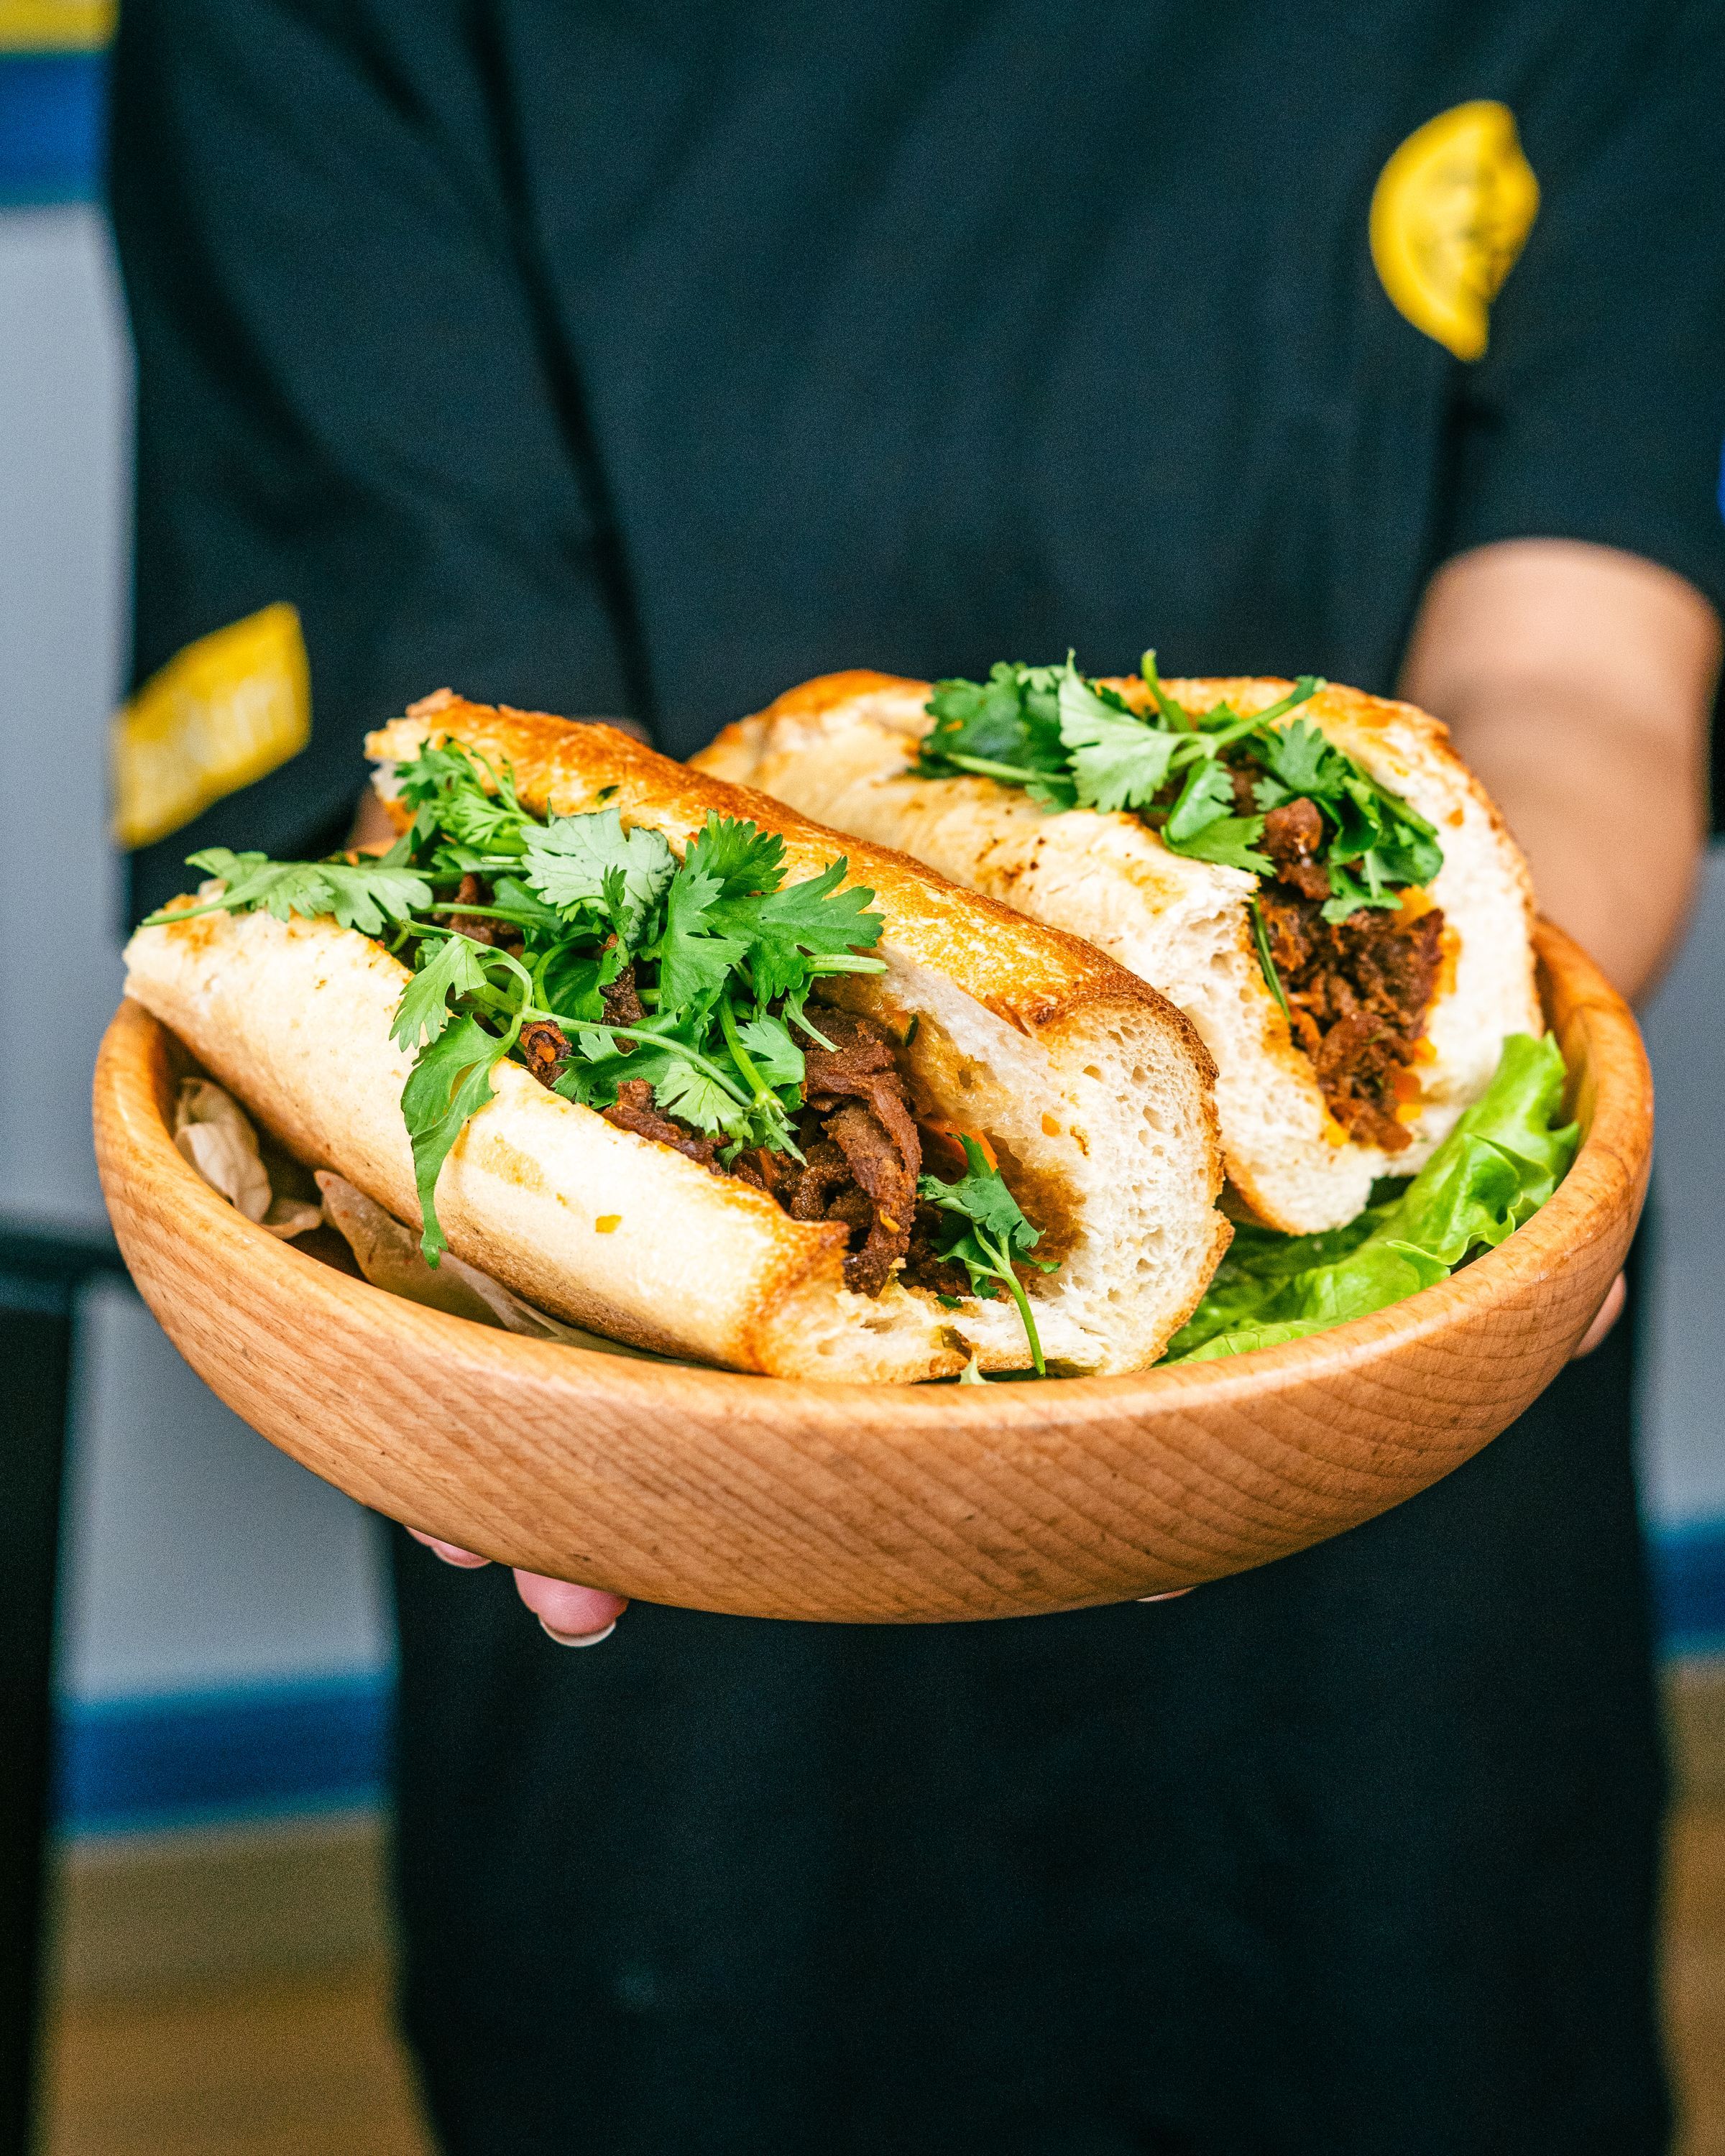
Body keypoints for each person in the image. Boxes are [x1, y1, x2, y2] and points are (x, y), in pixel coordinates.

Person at [112, 4, 1724, 2150]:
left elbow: (1575, 676)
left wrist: (1485, 1069)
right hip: (670, 1563)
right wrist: (501, 1270)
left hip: (1403, 1542)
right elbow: (416, 794)